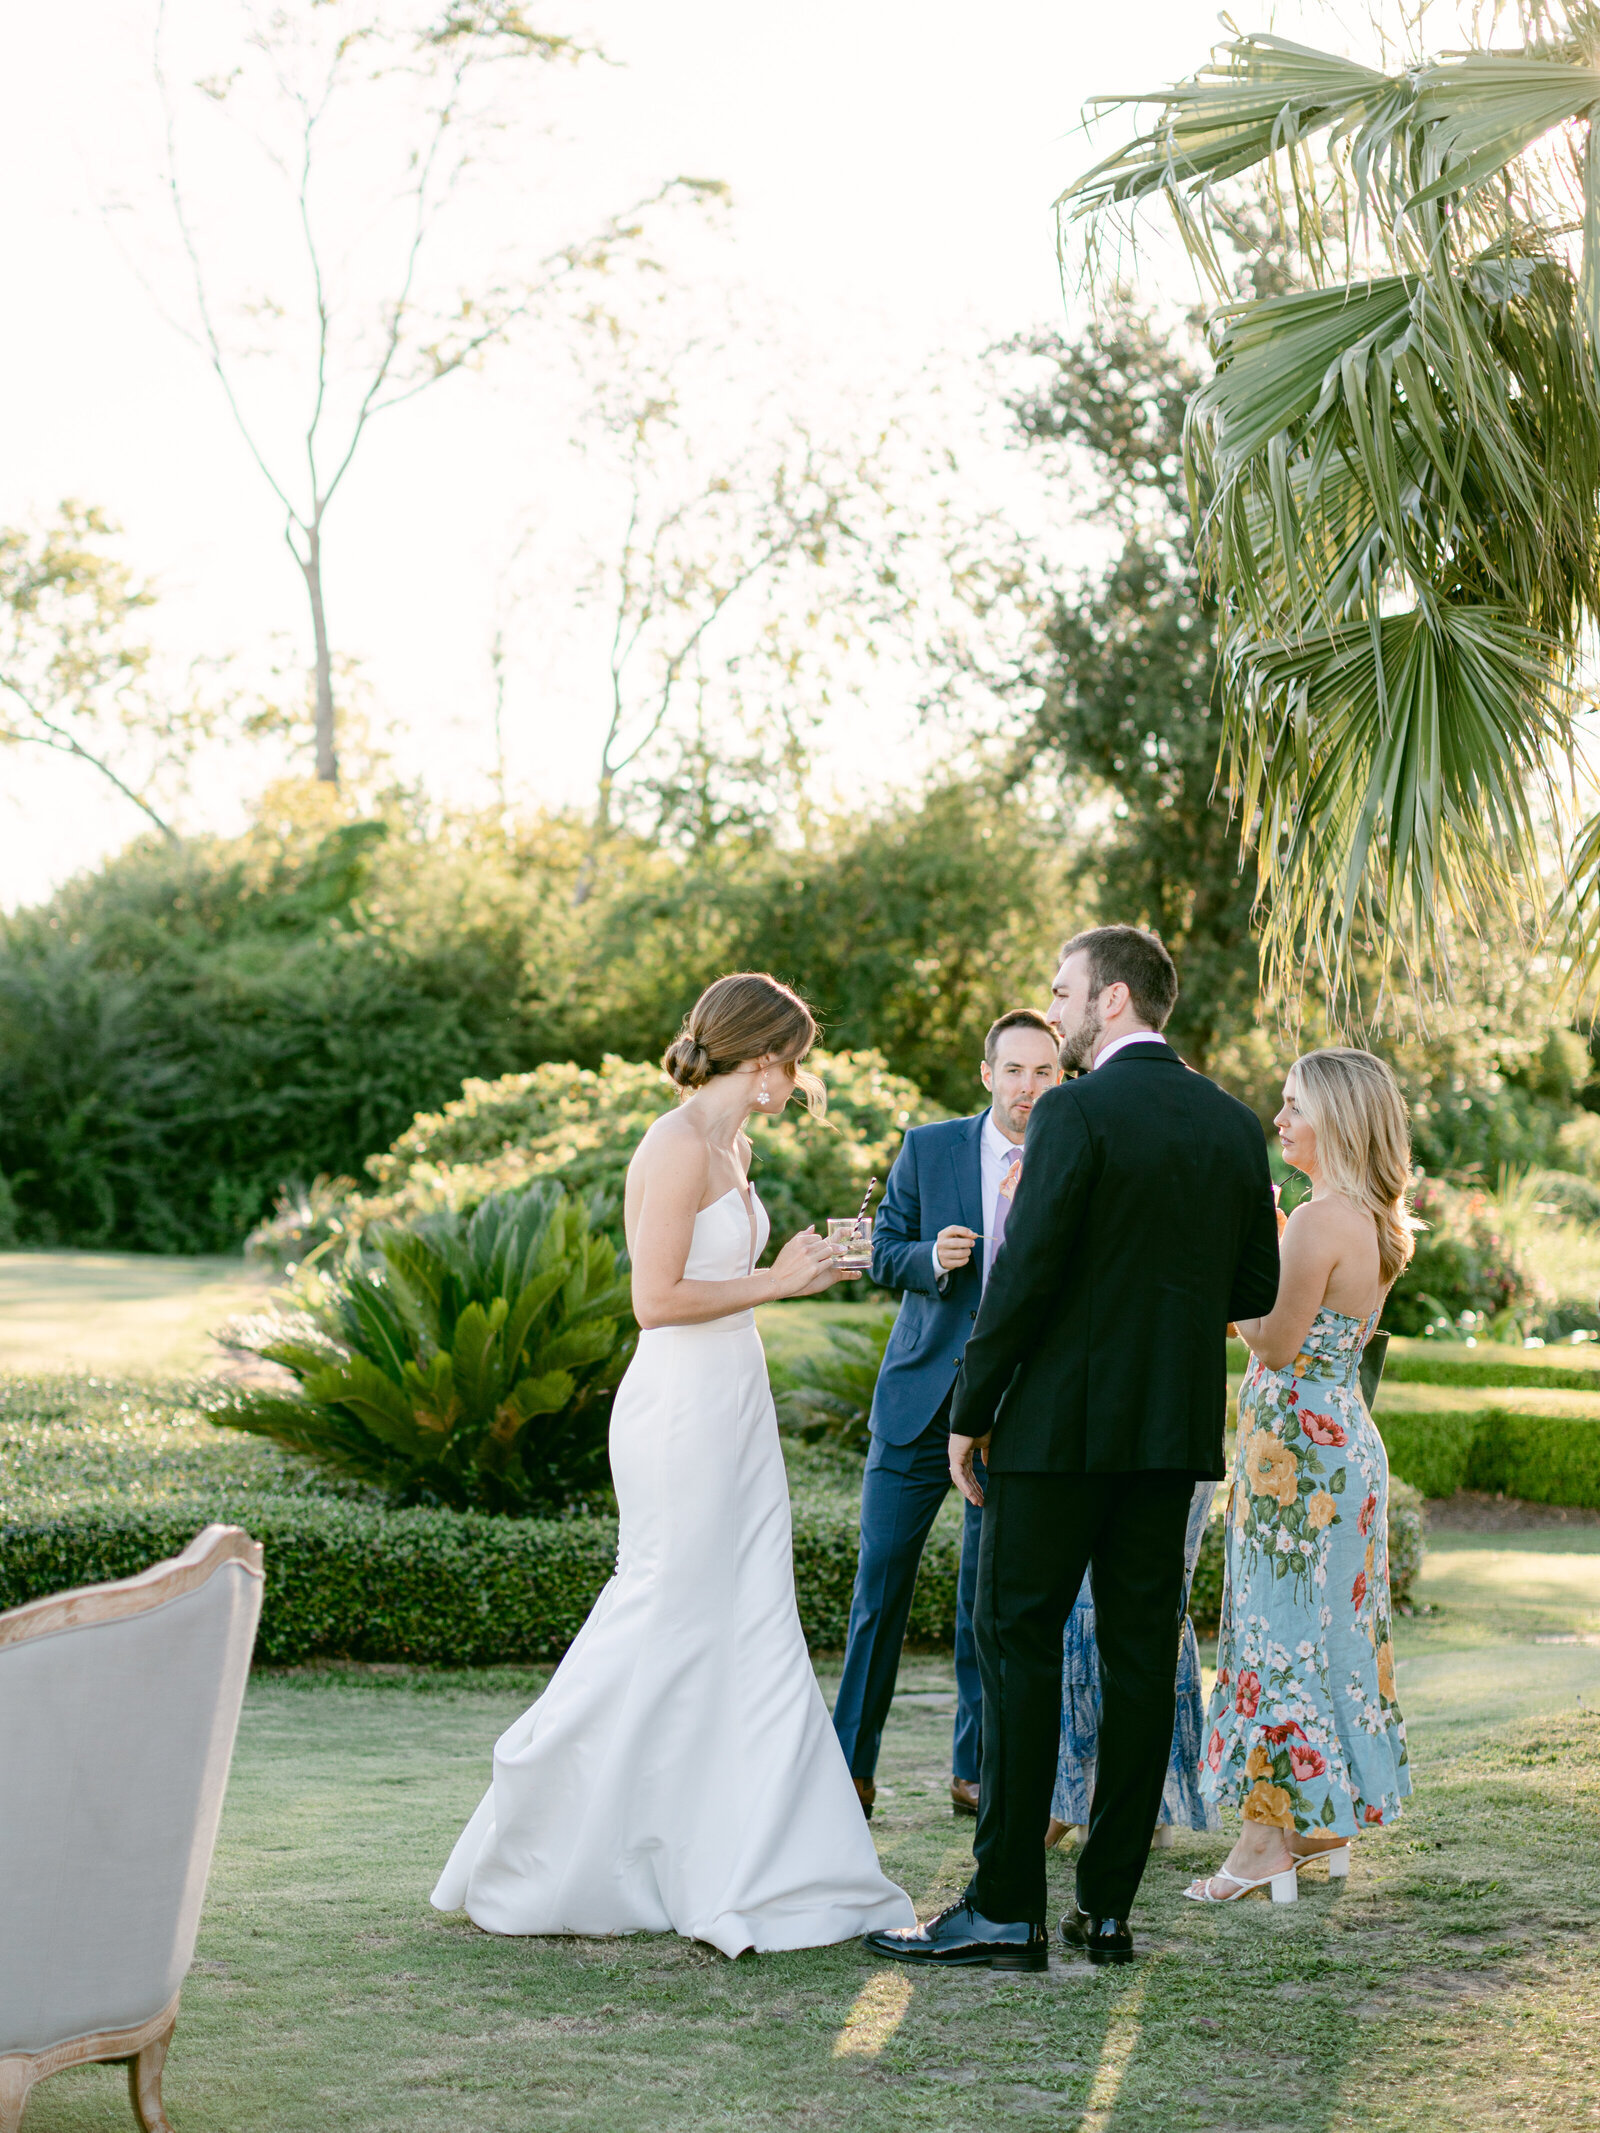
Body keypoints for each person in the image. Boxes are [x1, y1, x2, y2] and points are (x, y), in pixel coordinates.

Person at [432, 972, 914, 1957]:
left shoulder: (732, 1144)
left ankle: (737, 1854)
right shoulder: (676, 1142)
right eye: (795, 1059)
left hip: (732, 1397)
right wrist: (778, 1281)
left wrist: (800, 1267)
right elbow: (654, 1299)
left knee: (747, 1614)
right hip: (680, 1407)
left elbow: (727, 1280)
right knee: (666, 1601)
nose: (798, 1079)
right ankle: (547, 1811)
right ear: (762, 1056)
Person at [864, 924, 1280, 1972]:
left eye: (1065, 992)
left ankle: (1004, 1904)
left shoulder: (1072, 1111)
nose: (1055, 1010)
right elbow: (1252, 1292)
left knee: (1017, 1644)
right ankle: (1105, 1914)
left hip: (1052, 1439)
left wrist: (971, 1408)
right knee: (1142, 1662)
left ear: (1114, 1000)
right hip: (1168, 1438)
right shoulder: (1232, 1126)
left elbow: (1027, 1274)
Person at [1186, 1047, 1413, 1904]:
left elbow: (1271, 1340)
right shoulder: (1370, 1216)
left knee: (1274, 1635)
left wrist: (1235, 1249)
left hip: (1297, 1461)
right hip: (1339, 1444)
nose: (1277, 1119)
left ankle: (1261, 1845)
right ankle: (1321, 1821)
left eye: (1292, 1106)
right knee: (1331, 1635)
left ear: (1338, 1121)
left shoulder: (1321, 1219)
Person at [832, 1009, 1061, 1821]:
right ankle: (848, 1767)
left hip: (1014, 1413)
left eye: (1044, 1072)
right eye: (1015, 1071)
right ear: (987, 1073)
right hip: (918, 1405)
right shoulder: (928, 1147)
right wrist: (928, 1257)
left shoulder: (1071, 1152)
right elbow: (879, 1249)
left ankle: (973, 1770)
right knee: (878, 1590)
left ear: (1059, 1076)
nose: (1028, 1087)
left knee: (983, 1602)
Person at [1047, 1476, 1218, 1849]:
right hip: (1173, 1436)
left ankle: (1107, 1803)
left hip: (1159, 1440)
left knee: (1135, 1591)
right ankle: (1113, 1803)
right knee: (1121, 1591)